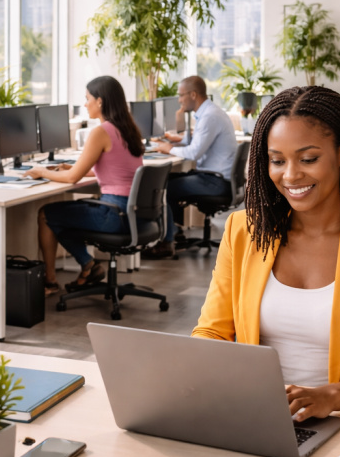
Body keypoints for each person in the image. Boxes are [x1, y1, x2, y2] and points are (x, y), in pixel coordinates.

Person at [193, 86, 340, 421]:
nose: (291, 175)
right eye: (277, 160)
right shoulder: (244, 231)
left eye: (308, 159)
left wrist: (333, 396)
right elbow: (211, 332)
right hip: (252, 414)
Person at [23, 76, 145, 295]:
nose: (85, 103)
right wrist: (70, 168)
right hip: (131, 213)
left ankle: (51, 283)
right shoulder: (127, 128)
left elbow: (72, 179)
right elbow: (114, 166)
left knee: (47, 215)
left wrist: (41, 171)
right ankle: (88, 265)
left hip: (113, 214)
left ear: (100, 101)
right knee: (63, 216)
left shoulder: (101, 131)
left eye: (87, 98)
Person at [145, 75, 237, 258]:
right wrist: (176, 140)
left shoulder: (210, 116)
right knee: (168, 180)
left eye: (181, 95)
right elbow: (196, 142)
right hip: (217, 178)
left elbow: (194, 153)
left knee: (162, 187)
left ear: (193, 94)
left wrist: (168, 147)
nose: (179, 100)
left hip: (215, 182)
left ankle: (167, 242)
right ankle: (175, 231)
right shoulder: (210, 113)